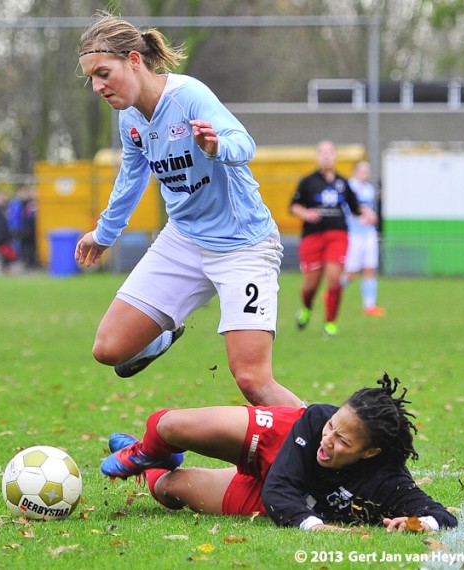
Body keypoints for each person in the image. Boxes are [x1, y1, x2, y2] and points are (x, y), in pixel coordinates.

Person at [74, 13, 301, 407]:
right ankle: (165, 331)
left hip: (242, 246)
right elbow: (131, 178)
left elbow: (243, 143)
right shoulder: (129, 118)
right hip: (183, 240)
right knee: (109, 349)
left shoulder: (187, 96)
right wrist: (104, 234)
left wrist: (217, 148)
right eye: (91, 78)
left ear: (133, 59)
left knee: (252, 380)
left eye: (103, 73)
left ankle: (330, 456)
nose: (97, 86)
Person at [100, 374, 457, 533]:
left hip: (279, 496)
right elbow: (280, 489)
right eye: (333, 426)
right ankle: (148, 450)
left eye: (344, 441)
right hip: (280, 441)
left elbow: (441, 515)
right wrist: (317, 527)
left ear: (370, 453)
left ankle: (158, 465)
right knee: (169, 427)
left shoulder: (387, 482)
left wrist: (415, 523)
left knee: (170, 489)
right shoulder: (315, 421)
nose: (328, 439)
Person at [290, 141, 376, 337]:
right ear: (317, 157)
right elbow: (294, 206)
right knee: (311, 285)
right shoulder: (307, 182)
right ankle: (306, 309)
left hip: (338, 235)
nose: (326, 155)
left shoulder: (343, 183)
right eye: (322, 152)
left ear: (335, 156)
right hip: (313, 236)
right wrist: (306, 213)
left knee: (334, 279)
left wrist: (367, 213)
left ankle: (331, 323)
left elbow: (355, 208)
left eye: (330, 152)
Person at [342, 160, 385, 316]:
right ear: (355, 171)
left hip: (368, 233)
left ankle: (370, 306)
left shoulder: (369, 189)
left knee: (370, 268)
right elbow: (349, 209)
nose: (365, 173)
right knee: (352, 271)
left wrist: (369, 217)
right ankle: (334, 293)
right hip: (354, 234)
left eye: (367, 170)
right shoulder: (350, 187)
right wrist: (363, 216)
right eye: (362, 170)